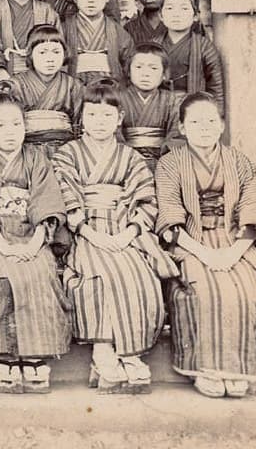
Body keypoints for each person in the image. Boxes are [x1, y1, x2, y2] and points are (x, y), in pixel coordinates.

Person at [155, 92, 256, 398]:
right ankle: (204, 368)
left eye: (210, 121)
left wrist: (232, 253)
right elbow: (170, 215)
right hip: (190, 240)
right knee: (202, 288)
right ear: (182, 127)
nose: (204, 128)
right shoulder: (170, 164)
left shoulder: (240, 162)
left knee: (247, 288)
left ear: (221, 125)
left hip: (234, 238)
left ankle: (238, 369)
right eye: (195, 122)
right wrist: (203, 253)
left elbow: (253, 209)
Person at [51, 81, 177, 394]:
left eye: (107, 115)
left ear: (119, 118)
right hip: (85, 231)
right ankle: (103, 351)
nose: (99, 122)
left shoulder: (131, 157)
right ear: (82, 117)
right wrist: (88, 231)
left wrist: (130, 232)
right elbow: (66, 195)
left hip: (123, 228)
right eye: (92, 115)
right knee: (99, 275)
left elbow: (146, 199)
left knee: (139, 274)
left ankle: (131, 354)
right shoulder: (67, 154)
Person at [0, 91, 70, 394]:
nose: (10, 132)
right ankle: (4, 356)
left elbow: (47, 201)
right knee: (1, 273)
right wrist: (3, 244)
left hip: (31, 231)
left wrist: (36, 243)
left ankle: (36, 355)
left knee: (41, 271)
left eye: (16, 124)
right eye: (1, 125)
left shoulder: (36, 157)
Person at [9, 25, 85, 156]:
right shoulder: (15, 85)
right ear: (30, 54)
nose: (50, 59)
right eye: (42, 52)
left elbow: (80, 124)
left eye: (56, 52)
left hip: (65, 151)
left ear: (64, 54)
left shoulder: (73, 85)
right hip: (25, 151)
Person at [61, 0, 134, 85]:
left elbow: (129, 67)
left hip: (110, 90)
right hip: (73, 88)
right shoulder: (63, 29)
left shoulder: (118, 32)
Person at [159, 0, 224, 110]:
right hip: (160, 109)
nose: (176, 14)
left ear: (196, 16)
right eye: (170, 8)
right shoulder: (154, 45)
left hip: (193, 109)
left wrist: (217, 114)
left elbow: (216, 86)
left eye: (184, 9)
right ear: (160, 15)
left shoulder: (204, 47)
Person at [119, 44, 182, 171]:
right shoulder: (118, 98)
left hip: (163, 162)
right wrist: (129, 156)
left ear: (164, 74)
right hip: (125, 162)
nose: (145, 74)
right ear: (128, 71)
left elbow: (176, 134)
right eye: (138, 67)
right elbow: (113, 133)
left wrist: (163, 157)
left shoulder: (173, 100)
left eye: (153, 68)